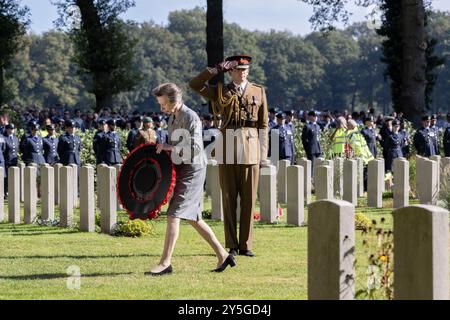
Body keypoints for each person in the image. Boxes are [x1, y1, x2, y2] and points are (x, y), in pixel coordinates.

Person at [147, 83, 235, 276]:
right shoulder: (172, 118)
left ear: (174, 101)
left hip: (193, 169)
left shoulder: (191, 117)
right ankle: (223, 255)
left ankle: (165, 263)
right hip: (181, 168)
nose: (161, 109)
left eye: (163, 104)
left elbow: (195, 148)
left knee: (173, 214)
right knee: (194, 218)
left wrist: (170, 147)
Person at [189, 54, 269, 257]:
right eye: (237, 70)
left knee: (249, 199)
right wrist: (214, 70)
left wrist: (262, 153)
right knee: (229, 198)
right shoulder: (221, 91)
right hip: (227, 147)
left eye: (245, 70)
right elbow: (195, 84)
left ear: (248, 71)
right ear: (230, 71)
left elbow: (263, 125)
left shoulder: (258, 91)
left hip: (251, 148)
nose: (242, 73)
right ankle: (232, 245)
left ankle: (246, 245)